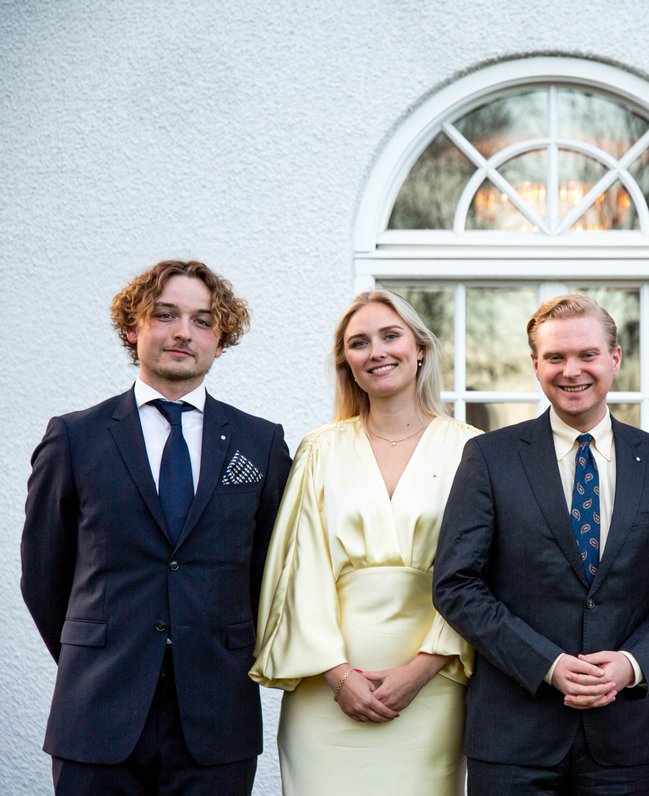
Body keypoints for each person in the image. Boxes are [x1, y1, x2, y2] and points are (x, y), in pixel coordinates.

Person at [21, 259, 291, 794]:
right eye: (165, 315)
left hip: (216, 718)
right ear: (133, 328)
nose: (183, 332)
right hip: (98, 711)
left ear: (220, 339)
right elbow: (44, 576)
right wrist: (99, 649)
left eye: (202, 320)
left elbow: (272, 573)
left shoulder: (260, 443)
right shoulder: (75, 437)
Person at [433, 293, 649, 795]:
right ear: (535, 365)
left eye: (587, 355)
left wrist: (632, 664)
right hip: (514, 733)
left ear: (614, 359)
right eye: (555, 357)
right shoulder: (490, 458)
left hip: (623, 737)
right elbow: (456, 584)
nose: (571, 370)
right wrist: (547, 665)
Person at [250, 290, 478, 795]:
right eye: (359, 343)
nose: (377, 351)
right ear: (346, 363)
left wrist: (422, 669)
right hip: (325, 693)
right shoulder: (319, 449)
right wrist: (337, 675)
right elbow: (298, 569)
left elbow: (481, 574)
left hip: (433, 689)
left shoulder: (470, 448)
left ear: (420, 348)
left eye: (390, 336)